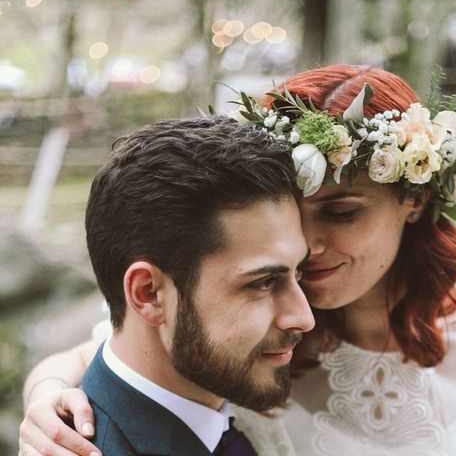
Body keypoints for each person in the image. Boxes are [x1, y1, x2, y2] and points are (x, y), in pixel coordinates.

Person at [19, 65, 456, 456]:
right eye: (297, 217)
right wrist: (47, 402)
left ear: (416, 199)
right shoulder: (257, 339)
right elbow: (118, 347)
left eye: (343, 212)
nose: (310, 244)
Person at [19, 115, 315, 455]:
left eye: (300, 273)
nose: (304, 317)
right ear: (148, 294)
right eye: (263, 283)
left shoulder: (218, 390)